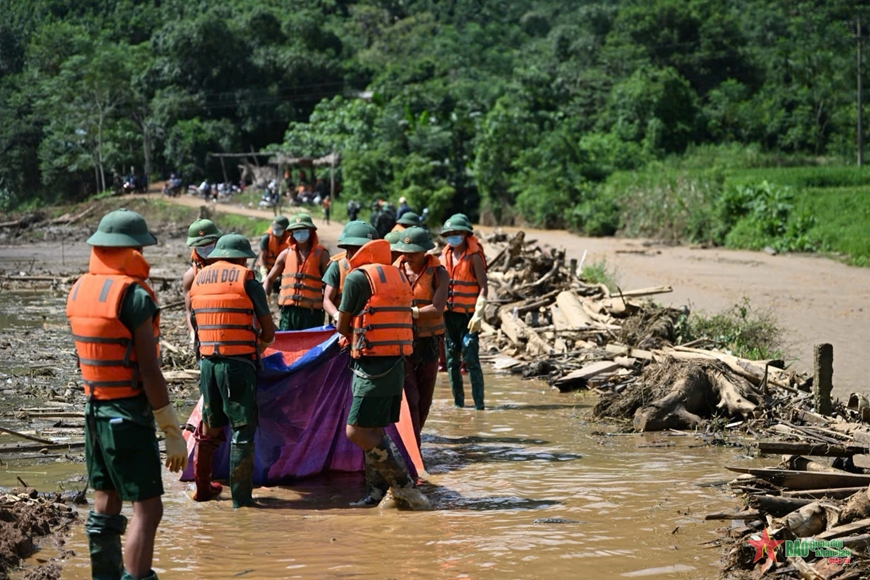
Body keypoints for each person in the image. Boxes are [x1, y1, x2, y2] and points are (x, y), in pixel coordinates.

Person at [66, 209, 188, 580]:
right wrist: (170, 428)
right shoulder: (133, 296)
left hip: (94, 410)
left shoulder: (79, 288)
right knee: (148, 509)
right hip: (126, 414)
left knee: (105, 502)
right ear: (133, 249)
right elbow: (150, 371)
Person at [335, 237, 431, 510]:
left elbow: (343, 326)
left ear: (357, 250)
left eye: (349, 249)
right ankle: (377, 493)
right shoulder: (397, 274)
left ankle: (405, 488)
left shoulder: (357, 278)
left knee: (356, 431)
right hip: (395, 363)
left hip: (371, 366)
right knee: (374, 429)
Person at [189, 234, 276, 508]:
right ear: (240, 257)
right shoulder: (247, 280)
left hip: (208, 365)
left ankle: (202, 487)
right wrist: (256, 347)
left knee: (210, 428)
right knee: (242, 429)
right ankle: (242, 501)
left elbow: (197, 322)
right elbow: (270, 332)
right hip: (237, 366)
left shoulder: (198, 279)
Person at [393, 227, 447, 446]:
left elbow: (438, 307)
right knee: (410, 397)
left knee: (424, 400)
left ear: (425, 251)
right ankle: (412, 446)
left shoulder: (439, 273)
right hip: (402, 341)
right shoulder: (394, 271)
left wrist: (412, 312)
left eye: (414, 251)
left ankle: (415, 441)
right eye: (405, 251)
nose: (409, 255)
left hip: (429, 342)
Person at [439, 214, 488, 410]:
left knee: (471, 359)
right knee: (451, 361)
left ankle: (479, 406)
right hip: (449, 316)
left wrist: (479, 314)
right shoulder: (444, 257)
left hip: (468, 318)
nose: (453, 237)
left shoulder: (474, 257)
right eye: (449, 234)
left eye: (457, 233)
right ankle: (458, 404)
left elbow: (484, 286)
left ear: (465, 234)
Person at [263, 214, 329, 330]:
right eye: (296, 230)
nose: (300, 233)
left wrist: (333, 311)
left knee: (312, 346)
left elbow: (330, 284)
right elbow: (269, 279)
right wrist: (264, 301)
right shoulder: (285, 255)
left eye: (303, 230)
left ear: (311, 231)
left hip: (312, 313)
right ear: (291, 233)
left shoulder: (322, 255)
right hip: (288, 312)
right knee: (288, 346)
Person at [322, 221, 378, 324]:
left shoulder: (380, 269)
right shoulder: (337, 266)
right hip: (342, 328)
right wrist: (337, 315)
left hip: (370, 327)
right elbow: (327, 300)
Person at [182, 219, 223, 341]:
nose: (205, 249)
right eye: (200, 246)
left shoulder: (232, 266)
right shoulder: (191, 276)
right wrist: (193, 334)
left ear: (217, 241)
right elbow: (189, 311)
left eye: (209, 244)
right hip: (205, 335)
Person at [256, 215, 290, 289]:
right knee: (262, 288)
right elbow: (262, 256)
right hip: (266, 267)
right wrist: (264, 272)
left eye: (279, 229)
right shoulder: (266, 238)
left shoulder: (289, 239)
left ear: (285, 229)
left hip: (280, 269)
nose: (276, 230)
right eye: (275, 228)